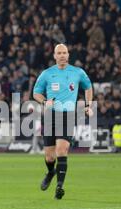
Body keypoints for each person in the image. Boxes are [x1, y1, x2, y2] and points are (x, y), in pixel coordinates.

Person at [33, 44, 93, 199]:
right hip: (49, 116)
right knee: (50, 157)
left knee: (62, 150)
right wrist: (45, 102)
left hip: (67, 116)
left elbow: (88, 87)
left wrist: (88, 105)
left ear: (68, 54)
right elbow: (36, 93)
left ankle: (59, 187)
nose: (62, 55)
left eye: (64, 53)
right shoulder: (47, 74)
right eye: (59, 53)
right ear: (54, 55)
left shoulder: (78, 72)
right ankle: (51, 172)